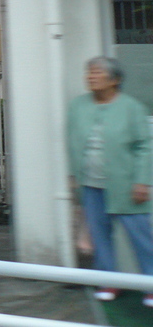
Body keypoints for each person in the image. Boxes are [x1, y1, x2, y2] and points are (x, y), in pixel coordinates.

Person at [67, 56, 153, 307]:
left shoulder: (132, 107)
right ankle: (108, 282)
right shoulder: (78, 106)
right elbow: (72, 141)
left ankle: (151, 284)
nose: (91, 77)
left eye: (97, 73)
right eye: (89, 72)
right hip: (90, 184)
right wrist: (74, 175)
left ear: (115, 80)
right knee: (99, 236)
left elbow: (145, 146)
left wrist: (142, 181)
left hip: (127, 185)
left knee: (141, 238)